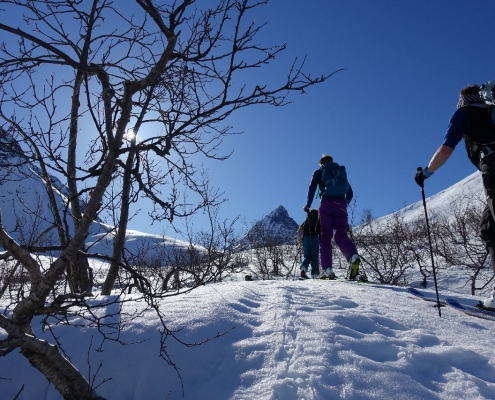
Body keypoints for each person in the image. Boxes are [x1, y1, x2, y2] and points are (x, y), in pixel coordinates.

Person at [415, 84, 495, 306]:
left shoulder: (465, 112)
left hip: (493, 165)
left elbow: (446, 148)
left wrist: (427, 173)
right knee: (488, 229)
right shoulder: (490, 109)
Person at [303, 154, 360, 280]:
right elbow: (350, 192)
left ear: (321, 163)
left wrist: (308, 205)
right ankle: (353, 256)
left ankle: (327, 269)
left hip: (326, 205)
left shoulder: (320, 171)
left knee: (325, 237)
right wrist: (344, 205)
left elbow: (312, 188)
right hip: (341, 205)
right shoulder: (340, 172)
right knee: (341, 235)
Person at [297, 209, 321, 279]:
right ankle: (315, 274)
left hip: (306, 238)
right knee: (314, 256)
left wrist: (300, 242)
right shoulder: (318, 220)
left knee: (307, 256)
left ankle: (303, 269)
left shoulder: (306, 221)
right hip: (315, 238)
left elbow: (298, 231)